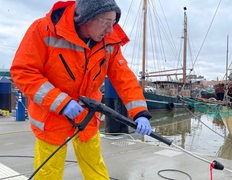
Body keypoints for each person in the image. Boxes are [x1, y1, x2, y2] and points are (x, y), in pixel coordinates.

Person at [10, 0, 152, 179]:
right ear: (86, 18)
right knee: (48, 173)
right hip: (52, 117)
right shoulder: (43, 29)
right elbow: (23, 72)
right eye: (106, 22)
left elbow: (124, 78)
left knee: (95, 168)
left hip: (87, 116)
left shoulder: (109, 41)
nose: (110, 30)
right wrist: (61, 102)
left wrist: (140, 113)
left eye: (113, 22)